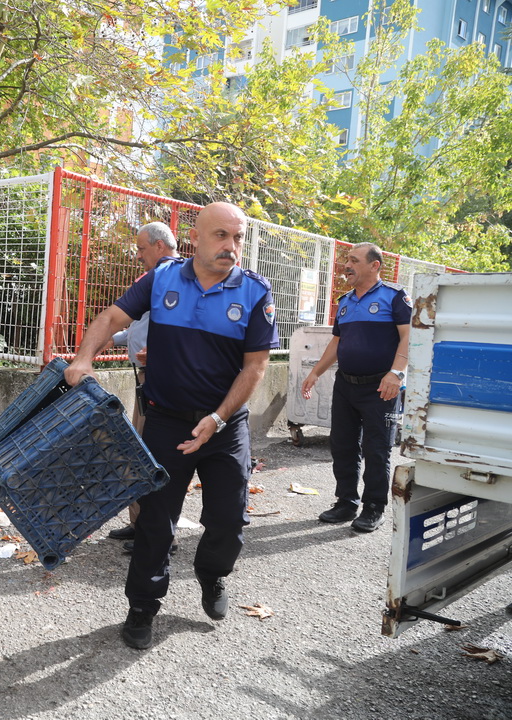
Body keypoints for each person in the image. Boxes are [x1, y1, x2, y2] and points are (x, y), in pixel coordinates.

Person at [64, 202, 278, 650]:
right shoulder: (161, 279)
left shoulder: (255, 292)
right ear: (194, 238)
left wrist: (217, 418)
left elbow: (255, 367)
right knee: (156, 522)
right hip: (166, 422)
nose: (231, 246)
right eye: (220, 235)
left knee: (228, 519)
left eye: (237, 238)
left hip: (224, 426)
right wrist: (83, 359)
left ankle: (212, 574)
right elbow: (112, 318)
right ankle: (143, 606)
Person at [301, 242, 410, 533]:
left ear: (374, 266)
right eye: (346, 260)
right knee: (343, 445)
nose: (346, 266)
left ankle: (374, 507)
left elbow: (409, 337)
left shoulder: (394, 297)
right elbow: (337, 342)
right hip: (346, 385)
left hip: (381, 387)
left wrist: (396, 374)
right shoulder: (346, 301)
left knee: (377, 450)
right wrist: (315, 372)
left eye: (354, 261)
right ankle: (346, 502)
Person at [105, 222, 180, 552]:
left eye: (141, 249)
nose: (138, 256)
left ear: (160, 246)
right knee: (139, 450)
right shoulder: (154, 278)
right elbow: (140, 324)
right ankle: (140, 524)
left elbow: (181, 330)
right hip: (144, 376)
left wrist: (160, 352)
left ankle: (159, 535)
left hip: (161, 379)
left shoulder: (175, 278)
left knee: (154, 454)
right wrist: (114, 338)